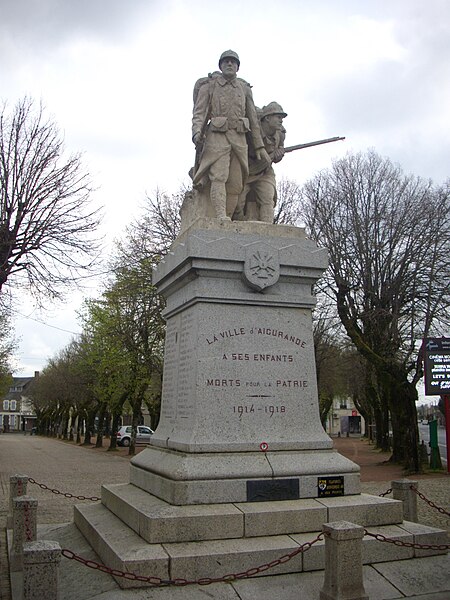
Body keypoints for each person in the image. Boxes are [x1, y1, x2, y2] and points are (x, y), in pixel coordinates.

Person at [192, 50, 270, 220]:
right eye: (226, 61)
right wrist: (197, 132)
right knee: (219, 176)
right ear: (220, 65)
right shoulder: (209, 86)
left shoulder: (244, 89)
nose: (229, 64)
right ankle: (220, 216)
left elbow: (253, 120)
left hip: (239, 139)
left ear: (237, 67)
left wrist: (259, 146)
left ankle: (226, 218)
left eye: (233, 62)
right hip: (217, 138)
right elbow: (199, 112)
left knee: (236, 184)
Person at [233, 102, 287, 223]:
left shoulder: (281, 134)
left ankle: (267, 229)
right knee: (238, 203)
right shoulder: (252, 130)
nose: (281, 121)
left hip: (265, 171)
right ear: (267, 118)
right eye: (278, 117)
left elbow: (279, 151)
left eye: (282, 118)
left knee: (268, 198)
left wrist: (278, 156)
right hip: (245, 170)